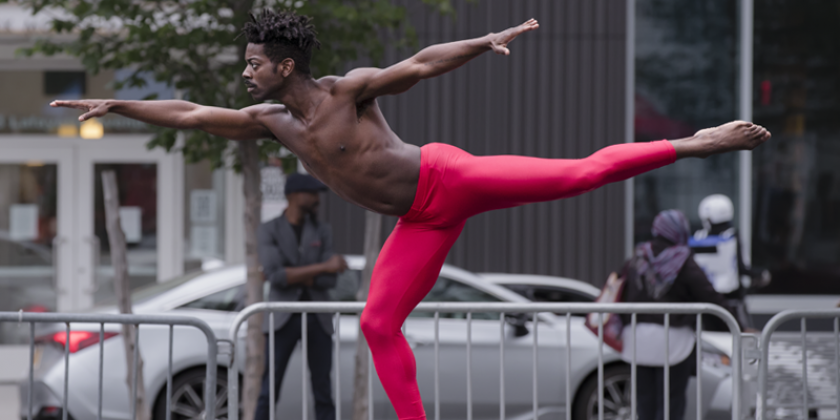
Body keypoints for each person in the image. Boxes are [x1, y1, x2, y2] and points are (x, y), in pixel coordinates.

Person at [50, 10, 771, 420]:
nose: (246, 72)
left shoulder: (345, 92)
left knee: (581, 173)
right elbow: (192, 113)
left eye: (254, 62)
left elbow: (420, 65)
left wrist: (480, 45)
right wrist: (117, 103)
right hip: (418, 225)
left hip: (447, 178)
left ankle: (696, 142)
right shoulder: (272, 120)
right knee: (374, 321)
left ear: (286, 66)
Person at [619, 210, 748, 420]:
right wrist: (737, 324)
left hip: (638, 338)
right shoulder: (682, 260)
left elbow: (622, 291)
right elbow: (709, 295)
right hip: (673, 341)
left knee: (644, 403)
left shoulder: (638, 257)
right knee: (671, 403)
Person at [255, 173, 348, 420]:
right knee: (269, 388)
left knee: (323, 391)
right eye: (312, 193)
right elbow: (276, 276)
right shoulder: (269, 229)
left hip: (318, 318)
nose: (317, 199)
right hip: (282, 318)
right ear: (295, 196)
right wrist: (323, 267)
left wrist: (295, 274)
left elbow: (331, 280)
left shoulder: (322, 230)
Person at [689, 194, 771, 330]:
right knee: (736, 336)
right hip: (729, 299)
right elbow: (742, 267)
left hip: (703, 296)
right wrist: (761, 274)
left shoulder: (698, 237)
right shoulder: (731, 237)